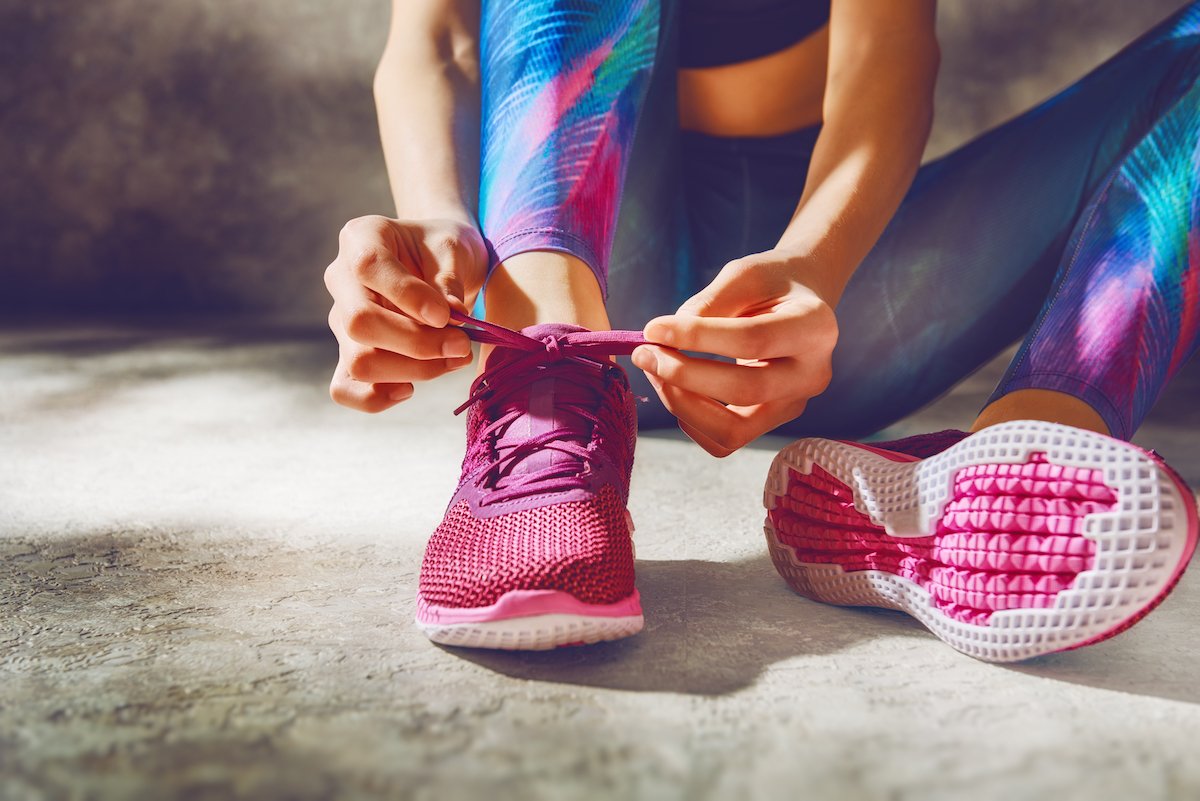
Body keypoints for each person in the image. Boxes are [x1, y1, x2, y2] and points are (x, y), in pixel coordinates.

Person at [324, 0, 1199, 660]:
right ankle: (544, 400)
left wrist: (813, 271)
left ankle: (1023, 464)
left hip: (806, 309)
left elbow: (887, 60)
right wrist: (438, 220)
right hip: (586, 266)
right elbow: (435, 42)